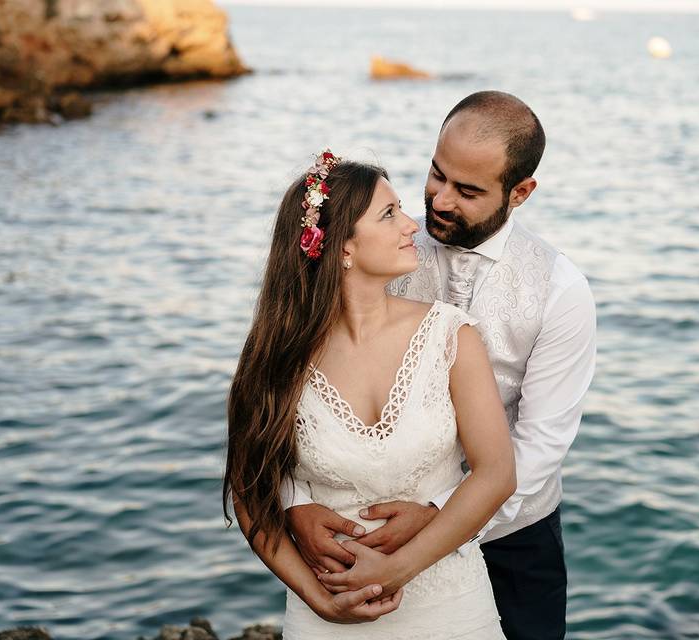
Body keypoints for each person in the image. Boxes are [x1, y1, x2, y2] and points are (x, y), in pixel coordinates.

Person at [287, 92, 597, 640]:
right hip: (369, 533)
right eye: (436, 175)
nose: (440, 201)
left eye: (469, 190)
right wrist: (297, 504)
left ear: (520, 192)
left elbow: (541, 442)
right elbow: (301, 396)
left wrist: (443, 515)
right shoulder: (384, 250)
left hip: (514, 538)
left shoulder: (560, 290)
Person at [223, 151, 516, 639]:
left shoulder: (449, 333)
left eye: (401, 207)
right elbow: (250, 491)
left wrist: (396, 570)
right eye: (388, 214)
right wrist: (320, 603)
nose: (410, 225)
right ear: (342, 248)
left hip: (453, 610)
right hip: (327, 613)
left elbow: (497, 474)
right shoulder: (276, 355)